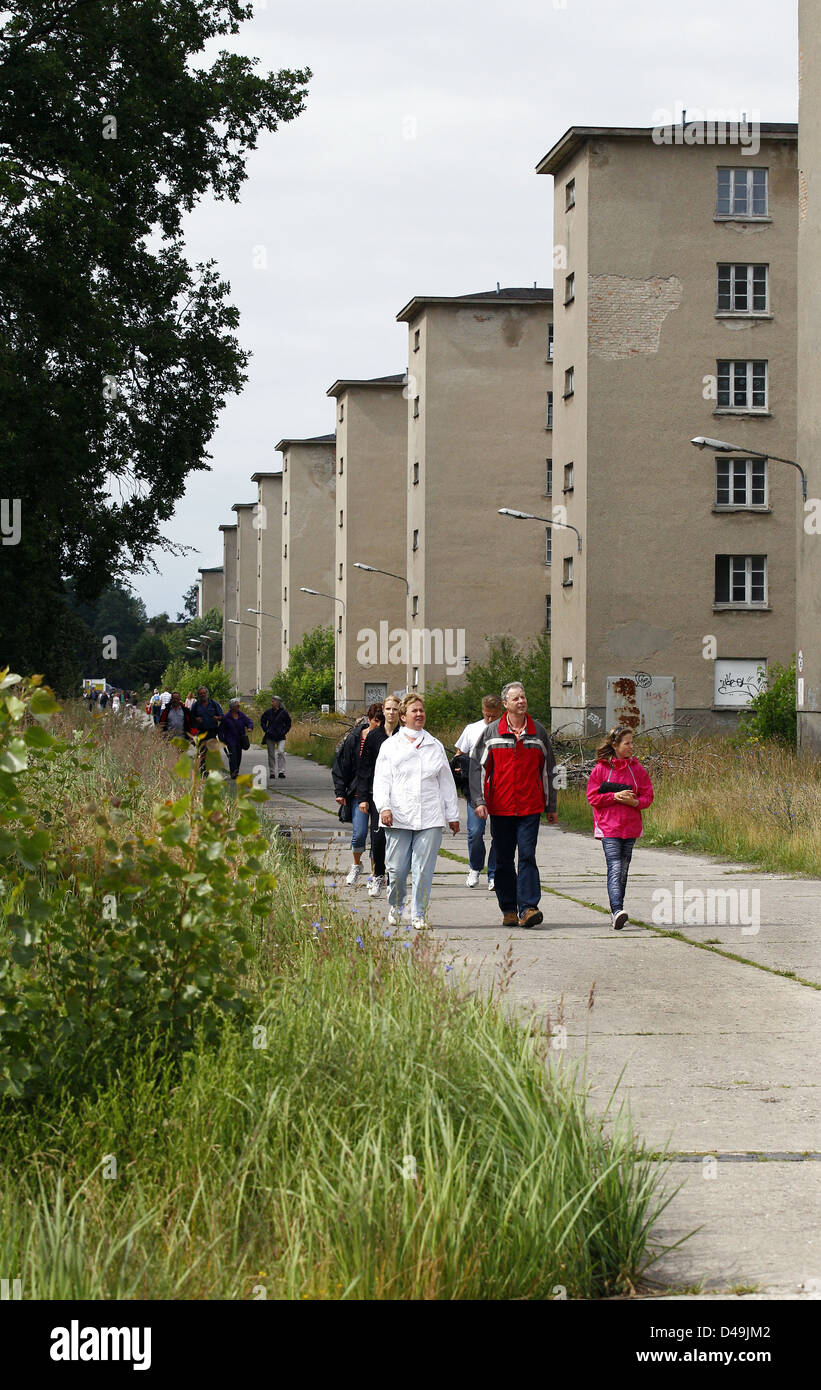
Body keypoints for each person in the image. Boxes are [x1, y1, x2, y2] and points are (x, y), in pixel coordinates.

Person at [469, 681, 557, 929]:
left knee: (527, 855)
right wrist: (479, 801)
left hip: (530, 807)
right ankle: (509, 908)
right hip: (501, 808)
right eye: (516, 698)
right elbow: (476, 767)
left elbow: (549, 771)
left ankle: (528, 907)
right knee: (505, 859)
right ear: (505, 704)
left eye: (523, 697)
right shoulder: (491, 733)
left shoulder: (538, 732)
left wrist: (551, 806)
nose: (521, 701)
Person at [373, 693, 459, 931]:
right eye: (414, 711)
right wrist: (384, 807)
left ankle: (418, 912)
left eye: (422, 710)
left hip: (430, 816)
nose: (419, 714)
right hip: (398, 816)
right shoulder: (390, 746)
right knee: (398, 868)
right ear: (403, 717)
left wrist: (452, 815)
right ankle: (397, 904)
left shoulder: (435, 745)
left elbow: (446, 783)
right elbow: (381, 781)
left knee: (423, 869)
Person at [585, 726, 654, 931]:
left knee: (623, 869)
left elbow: (648, 797)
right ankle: (617, 910)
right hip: (609, 827)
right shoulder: (601, 769)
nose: (632, 746)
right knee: (615, 865)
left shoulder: (637, 770)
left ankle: (618, 911)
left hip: (630, 827)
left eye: (633, 742)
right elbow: (592, 797)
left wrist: (634, 802)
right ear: (615, 745)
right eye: (627, 743)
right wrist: (614, 796)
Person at [454, 694, 503, 890]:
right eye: (487, 715)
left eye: (494, 716)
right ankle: (475, 867)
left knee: (499, 835)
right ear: (482, 711)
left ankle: (493, 873)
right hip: (475, 789)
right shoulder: (471, 729)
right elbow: (460, 754)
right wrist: (459, 767)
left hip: (500, 790)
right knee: (475, 832)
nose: (490, 720)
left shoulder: (505, 730)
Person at [357, 694, 401, 896]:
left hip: (401, 795)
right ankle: (378, 875)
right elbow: (365, 768)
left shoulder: (405, 735)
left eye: (395, 709)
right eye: (389, 709)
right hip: (378, 795)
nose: (392, 713)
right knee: (379, 838)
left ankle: (394, 878)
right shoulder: (374, 737)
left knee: (397, 839)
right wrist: (363, 797)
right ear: (383, 711)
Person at [331, 709, 376, 884]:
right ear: (369, 719)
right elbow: (342, 766)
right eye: (376, 720)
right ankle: (357, 865)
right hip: (359, 793)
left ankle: (375, 873)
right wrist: (341, 791)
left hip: (381, 795)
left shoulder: (390, 739)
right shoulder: (355, 739)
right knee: (359, 833)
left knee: (377, 836)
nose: (379, 725)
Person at [190, 685, 224, 776]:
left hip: (212, 732)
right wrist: (196, 719)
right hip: (200, 732)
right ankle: (203, 771)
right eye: (201, 694)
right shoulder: (195, 705)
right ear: (198, 695)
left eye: (204, 693)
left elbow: (222, 716)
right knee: (202, 753)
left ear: (207, 694)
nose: (203, 695)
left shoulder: (214, 704)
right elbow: (190, 718)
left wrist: (217, 718)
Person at [218, 698, 254, 780]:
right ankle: (233, 772)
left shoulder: (241, 715)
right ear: (232, 707)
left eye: (238, 705)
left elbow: (249, 721)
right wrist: (222, 740)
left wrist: (250, 727)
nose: (238, 707)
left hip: (240, 739)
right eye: (237, 705)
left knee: (238, 756)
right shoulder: (226, 717)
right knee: (233, 755)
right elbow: (221, 730)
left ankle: (236, 770)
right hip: (230, 740)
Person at [261, 695, 291, 779]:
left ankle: (281, 771)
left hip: (281, 736)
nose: (272, 703)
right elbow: (262, 720)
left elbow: (288, 723)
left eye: (273, 701)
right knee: (271, 754)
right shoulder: (268, 712)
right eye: (271, 701)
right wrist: (266, 729)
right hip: (270, 736)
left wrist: (284, 731)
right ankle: (272, 772)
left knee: (281, 752)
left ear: (278, 703)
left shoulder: (284, 712)